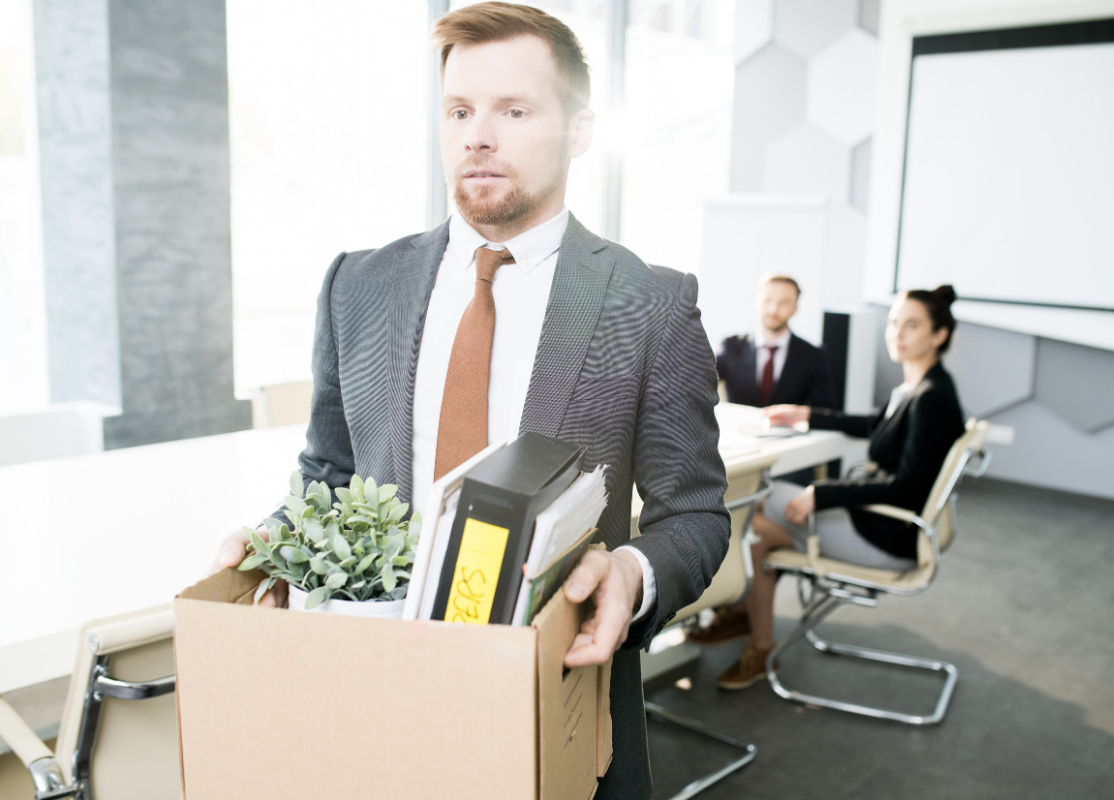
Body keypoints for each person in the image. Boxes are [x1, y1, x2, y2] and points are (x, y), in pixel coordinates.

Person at [205, 5, 729, 798]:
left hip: (554, 697)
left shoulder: (646, 304)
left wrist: (632, 572)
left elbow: (694, 513)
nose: (478, 135)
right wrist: (279, 539)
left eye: (514, 111)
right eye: (459, 111)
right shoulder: (360, 285)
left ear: (579, 129)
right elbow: (330, 471)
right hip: (374, 693)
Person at [690, 285, 965, 690]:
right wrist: (807, 415)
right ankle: (748, 619)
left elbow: (906, 488)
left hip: (888, 536)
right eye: (893, 323)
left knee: (753, 517)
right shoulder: (921, 387)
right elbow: (877, 423)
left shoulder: (931, 399)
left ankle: (753, 633)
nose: (897, 333)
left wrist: (823, 493)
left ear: (939, 335)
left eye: (911, 325)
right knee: (757, 516)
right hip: (882, 522)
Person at [716, 273, 838, 410]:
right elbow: (697, 383)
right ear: (757, 301)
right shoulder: (730, 346)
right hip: (737, 429)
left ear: (795, 309)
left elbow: (826, 412)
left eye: (784, 303)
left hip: (789, 430)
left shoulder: (814, 356)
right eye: (768, 300)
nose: (773, 310)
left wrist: (798, 414)